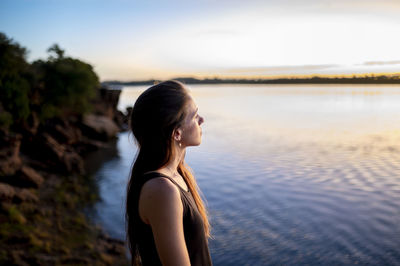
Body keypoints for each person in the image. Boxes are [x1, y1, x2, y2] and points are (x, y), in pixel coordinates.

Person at [125, 80, 212, 266]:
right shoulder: (162, 190)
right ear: (177, 133)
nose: (202, 120)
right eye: (195, 115)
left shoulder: (176, 176)